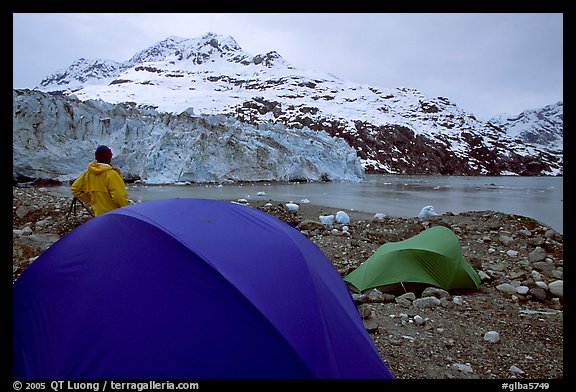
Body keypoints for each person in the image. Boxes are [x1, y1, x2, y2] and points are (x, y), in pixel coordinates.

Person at [71, 145, 129, 216]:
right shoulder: (111, 174)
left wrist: (91, 201)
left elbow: (75, 189)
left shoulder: (88, 173)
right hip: (113, 213)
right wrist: (125, 210)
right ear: (109, 158)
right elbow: (120, 196)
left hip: (98, 213)